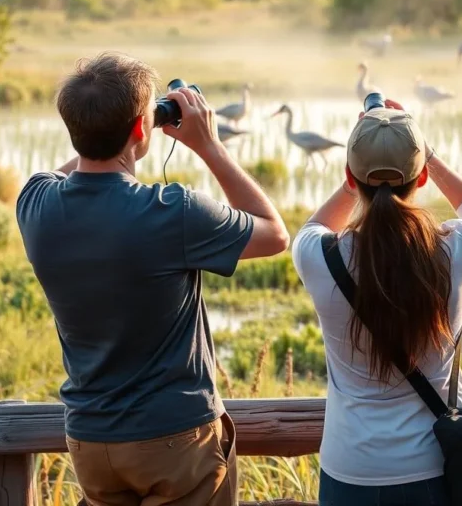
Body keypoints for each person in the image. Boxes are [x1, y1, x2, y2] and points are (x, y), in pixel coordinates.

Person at [15, 53, 290, 506]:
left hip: (90, 441)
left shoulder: (34, 205)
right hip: (175, 438)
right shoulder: (173, 211)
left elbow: (71, 166)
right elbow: (274, 233)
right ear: (142, 131)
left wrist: (109, 131)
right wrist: (209, 145)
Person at [291, 99, 462, 506]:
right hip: (434, 471)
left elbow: (314, 227)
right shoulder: (457, 248)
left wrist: (359, 165)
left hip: (349, 473)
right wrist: (427, 152)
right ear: (422, 176)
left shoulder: (317, 256)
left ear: (350, 175)